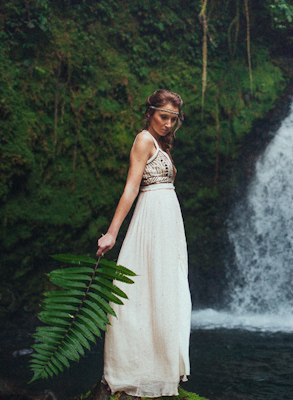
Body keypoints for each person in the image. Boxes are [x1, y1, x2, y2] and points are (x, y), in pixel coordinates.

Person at [96, 89, 192, 397]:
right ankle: (134, 370)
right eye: (163, 116)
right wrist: (112, 233)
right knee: (146, 289)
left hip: (167, 222)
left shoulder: (160, 144)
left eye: (173, 119)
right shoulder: (143, 140)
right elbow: (131, 188)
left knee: (165, 289)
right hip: (151, 219)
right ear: (150, 112)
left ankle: (160, 369)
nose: (167, 124)